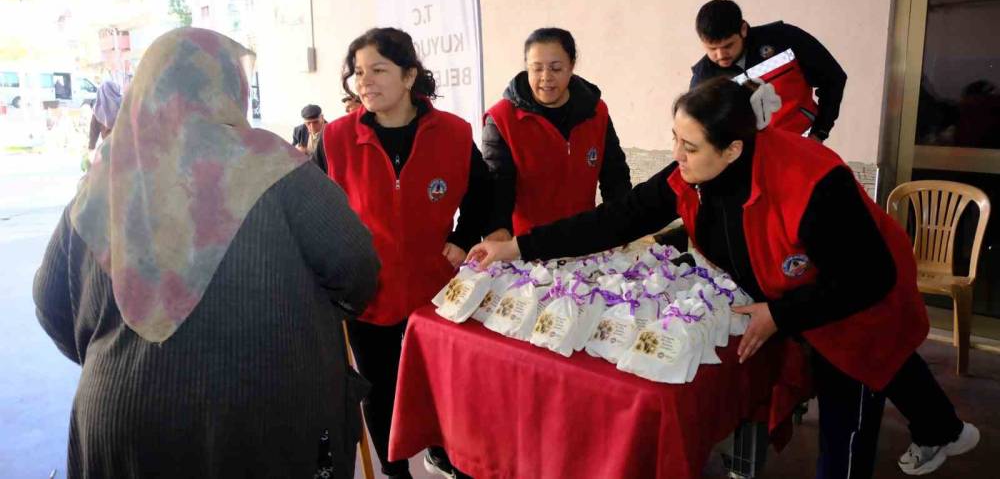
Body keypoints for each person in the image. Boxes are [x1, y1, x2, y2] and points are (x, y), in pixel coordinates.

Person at [468, 77, 979, 478]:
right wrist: (516, 247)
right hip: (802, 292)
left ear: (733, 149)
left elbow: (868, 278)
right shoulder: (692, 175)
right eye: (675, 138)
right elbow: (617, 219)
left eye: (689, 146)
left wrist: (780, 314)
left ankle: (928, 432)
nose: (677, 155)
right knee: (895, 368)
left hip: (861, 306)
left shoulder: (812, 185)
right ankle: (944, 429)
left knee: (849, 409)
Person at [33, 28, 380, 478]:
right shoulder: (276, 169)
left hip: (120, 430)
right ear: (230, 88)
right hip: (265, 428)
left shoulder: (103, 184)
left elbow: (51, 306)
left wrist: (132, 363)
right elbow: (357, 268)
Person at [321, 27, 491, 479]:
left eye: (378, 70)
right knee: (380, 389)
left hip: (435, 288)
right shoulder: (336, 138)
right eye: (359, 72)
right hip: (368, 291)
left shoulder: (453, 133)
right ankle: (395, 471)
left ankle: (443, 453)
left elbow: (483, 192)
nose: (365, 81)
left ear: (409, 75)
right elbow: (316, 210)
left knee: (439, 384)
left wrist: (464, 236)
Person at [482, 27, 631, 239]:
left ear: (571, 66)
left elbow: (615, 175)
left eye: (556, 68)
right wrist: (498, 230)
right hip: (527, 246)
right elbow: (497, 187)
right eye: (537, 69)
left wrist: (621, 224)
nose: (546, 77)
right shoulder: (501, 119)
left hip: (584, 239)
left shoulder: (595, 112)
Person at [690, 0, 847, 142]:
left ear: (743, 29)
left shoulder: (784, 38)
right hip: (748, 157)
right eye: (712, 49)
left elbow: (833, 79)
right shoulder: (704, 77)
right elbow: (696, 127)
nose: (720, 55)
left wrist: (820, 132)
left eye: (728, 45)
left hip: (800, 146)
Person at [87, 79, 122, 152]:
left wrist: (91, 146)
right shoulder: (124, 105)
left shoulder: (98, 110)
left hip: (108, 147)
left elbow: (94, 130)